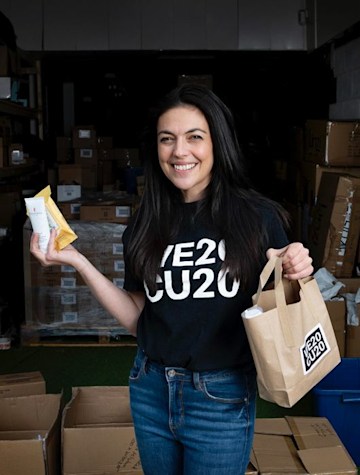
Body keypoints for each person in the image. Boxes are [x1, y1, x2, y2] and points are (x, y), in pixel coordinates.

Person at [30, 84, 313, 475]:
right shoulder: (146, 222)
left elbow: (284, 303)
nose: (180, 151)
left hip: (220, 393)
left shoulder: (257, 218)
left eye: (194, 137)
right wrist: (77, 261)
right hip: (150, 389)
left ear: (218, 143)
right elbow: (138, 316)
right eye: (168, 140)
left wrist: (297, 270)